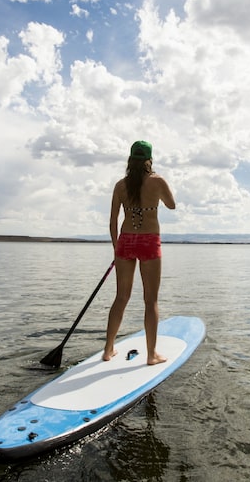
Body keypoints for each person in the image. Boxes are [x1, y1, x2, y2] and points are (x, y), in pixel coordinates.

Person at [104, 140, 176, 365]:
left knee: (121, 297)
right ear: (149, 159)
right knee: (150, 300)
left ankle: (108, 350)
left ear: (130, 160)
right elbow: (172, 205)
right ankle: (151, 355)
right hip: (149, 241)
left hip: (125, 241)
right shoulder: (157, 181)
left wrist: (116, 247)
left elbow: (113, 220)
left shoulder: (120, 185)